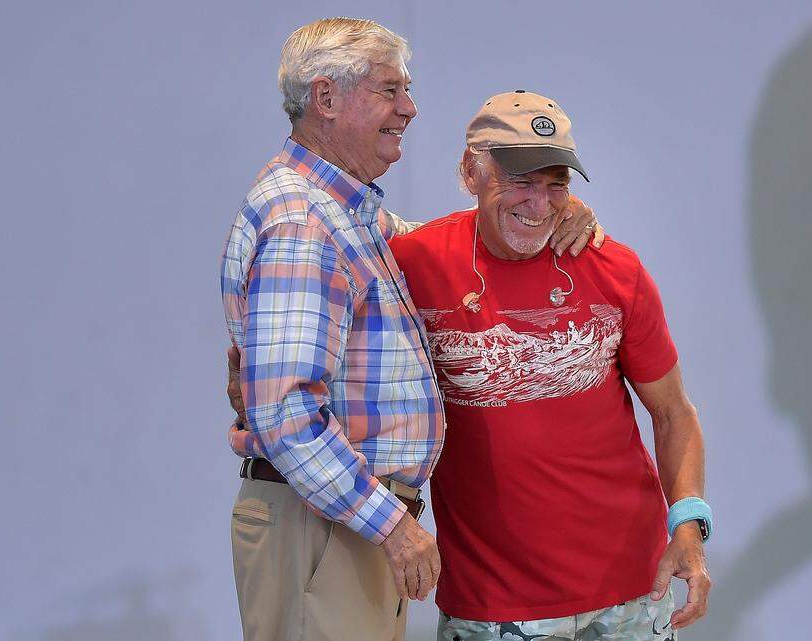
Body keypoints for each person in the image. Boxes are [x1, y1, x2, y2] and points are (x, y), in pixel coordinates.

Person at [220, 19, 602, 641]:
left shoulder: (348, 210)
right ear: (326, 98)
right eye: (389, 91)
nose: (410, 108)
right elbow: (286, 415)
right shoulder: (303, 222)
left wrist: (548, 204)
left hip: (340, 523)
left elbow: (448, 241)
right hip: (328, 529)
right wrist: (392, 527)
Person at [386, 91, 712, 640]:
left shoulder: (615, 267)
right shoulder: (412, 263)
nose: (540, 205)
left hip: (633, 591)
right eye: (520, 180)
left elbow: (674, 413)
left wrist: (688, 525)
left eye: (555, 183)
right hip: (494, 604)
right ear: (471, 171)